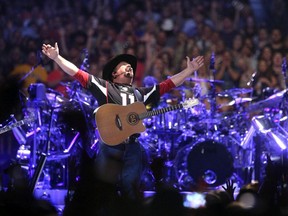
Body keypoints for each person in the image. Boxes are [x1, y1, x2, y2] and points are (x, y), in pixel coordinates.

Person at [41, 42, 204, 200]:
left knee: (130, 190)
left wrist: (188, 70)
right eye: (125, 65)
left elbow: (167, 84)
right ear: (114, 73)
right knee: (104, 190)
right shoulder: (105, 87)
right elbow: (77, 73)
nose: (130, 67)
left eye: (131, 67)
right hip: (110, 145)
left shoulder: (141, 94)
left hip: (132, 147)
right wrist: (57, 58)